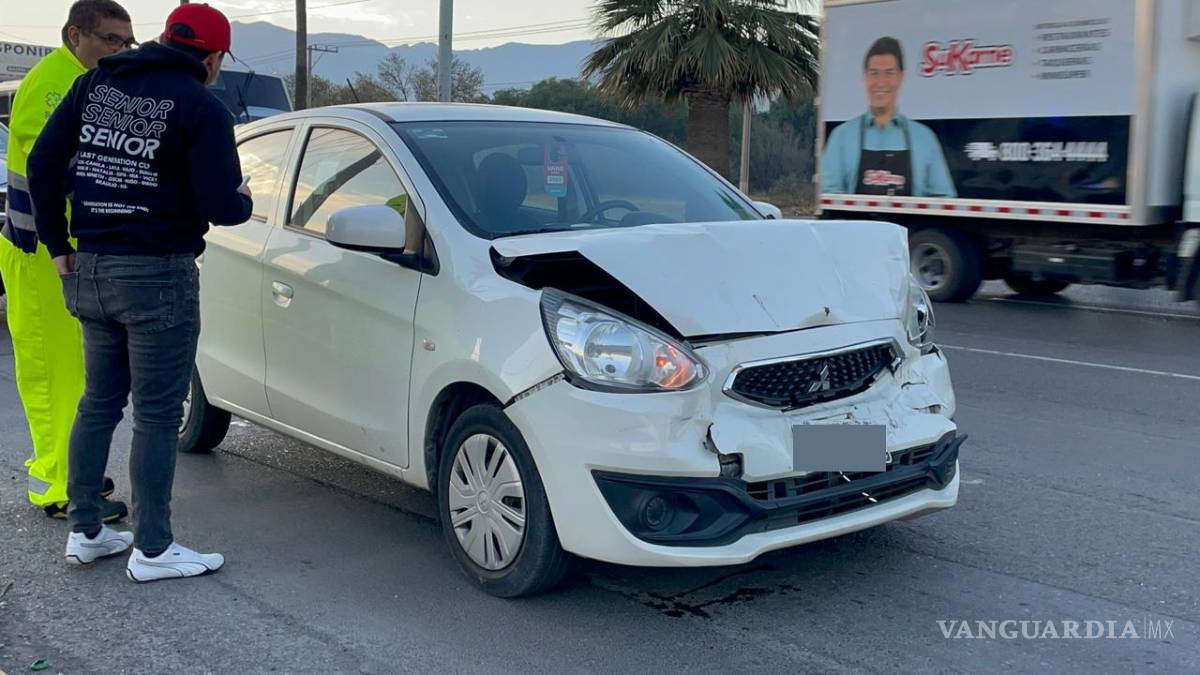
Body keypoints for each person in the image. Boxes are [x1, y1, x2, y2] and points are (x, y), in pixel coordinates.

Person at [27, 2, 252, 579]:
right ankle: (152, 549)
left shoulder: (97, 85)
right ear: (213, 56)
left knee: (98, 403)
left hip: (90, 267)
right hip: (157, 276)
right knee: (155, 414)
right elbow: (219, 206)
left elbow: (43, 163)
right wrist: (245, 199)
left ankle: (87, 531)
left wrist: (58, 243)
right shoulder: (201, 107)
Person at [0, 0, 134, 522]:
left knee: (77, 373)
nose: (117, 51)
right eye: (108, 40)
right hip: (39, 253)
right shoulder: (56, 84)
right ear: (75, 35)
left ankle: (75, 473)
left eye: (125, 42)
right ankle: (57, 486)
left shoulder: (83, 80)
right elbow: (59, 167)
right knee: (54, 374)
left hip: (61, 250)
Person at [821, 36, 957, 198]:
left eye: (889, 73)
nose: (881, 82)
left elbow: (944, 199)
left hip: (911, 224)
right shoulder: (841, 137)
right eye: (874, 73)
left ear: (901, 77)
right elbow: (828, 197)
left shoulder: (925, 139)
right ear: (865, 77)